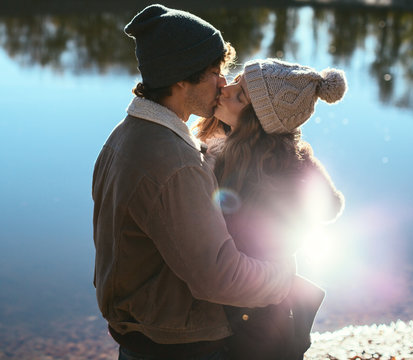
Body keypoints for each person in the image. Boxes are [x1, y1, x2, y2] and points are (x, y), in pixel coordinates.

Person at [92, 5, 300, 360]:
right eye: (214, 73)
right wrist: (282, 278)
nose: (223, 82)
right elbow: (218, 276)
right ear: (180, 80)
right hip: (177, 347)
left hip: (143, 336)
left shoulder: (124, 135)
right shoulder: (173, 163)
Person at [194, 58, 347, 359]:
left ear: (258, 121)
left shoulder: (248, 170)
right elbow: (332, 206)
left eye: (240, 96)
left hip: (253, 313)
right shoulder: (288, 157)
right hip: (263, 299)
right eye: (236, 81)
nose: (226, 89)